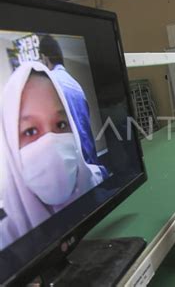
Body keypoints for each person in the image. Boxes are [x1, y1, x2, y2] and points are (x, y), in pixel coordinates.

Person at [0, 62, 104, 249]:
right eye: (31, 131)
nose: (51, 145)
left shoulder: (100, 184)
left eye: (61, 125)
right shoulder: (6, 242)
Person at [39, 34, 102, 168]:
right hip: (91, 162)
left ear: (44, 58)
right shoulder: (74, 84)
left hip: (76, 169)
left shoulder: (52, 84)